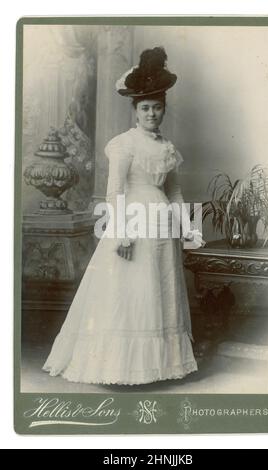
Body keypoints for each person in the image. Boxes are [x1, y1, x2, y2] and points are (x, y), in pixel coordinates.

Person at [43, 47, 203, 385]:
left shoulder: (167, 148)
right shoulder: (124, 145)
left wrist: (188, 227)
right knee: (131, 291)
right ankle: (120, 368)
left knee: (160, 290)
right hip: (133, 222)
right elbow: (115, 192)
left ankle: (161, 367)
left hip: (162, 226)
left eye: (157, 108)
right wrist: (122, 234)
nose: (151, 114)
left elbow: (173, 192)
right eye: (145, 108)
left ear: (164, 110)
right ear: (135, 110)